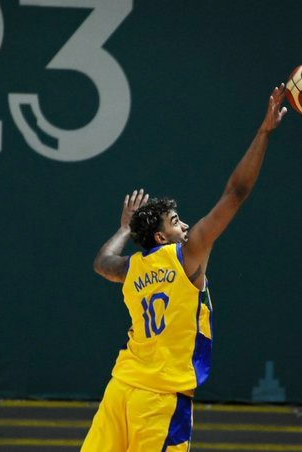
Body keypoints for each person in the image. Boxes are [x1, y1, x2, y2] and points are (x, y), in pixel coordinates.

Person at [81, 85, 287, 451]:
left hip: (121, 389)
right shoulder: (186, 256)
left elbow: (100, 263)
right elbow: (235, 194)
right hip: (159, 400)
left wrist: (124, 228)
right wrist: (263, 133)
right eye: (176, 221)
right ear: (161, 237)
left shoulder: (131, 268)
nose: (186, 226)